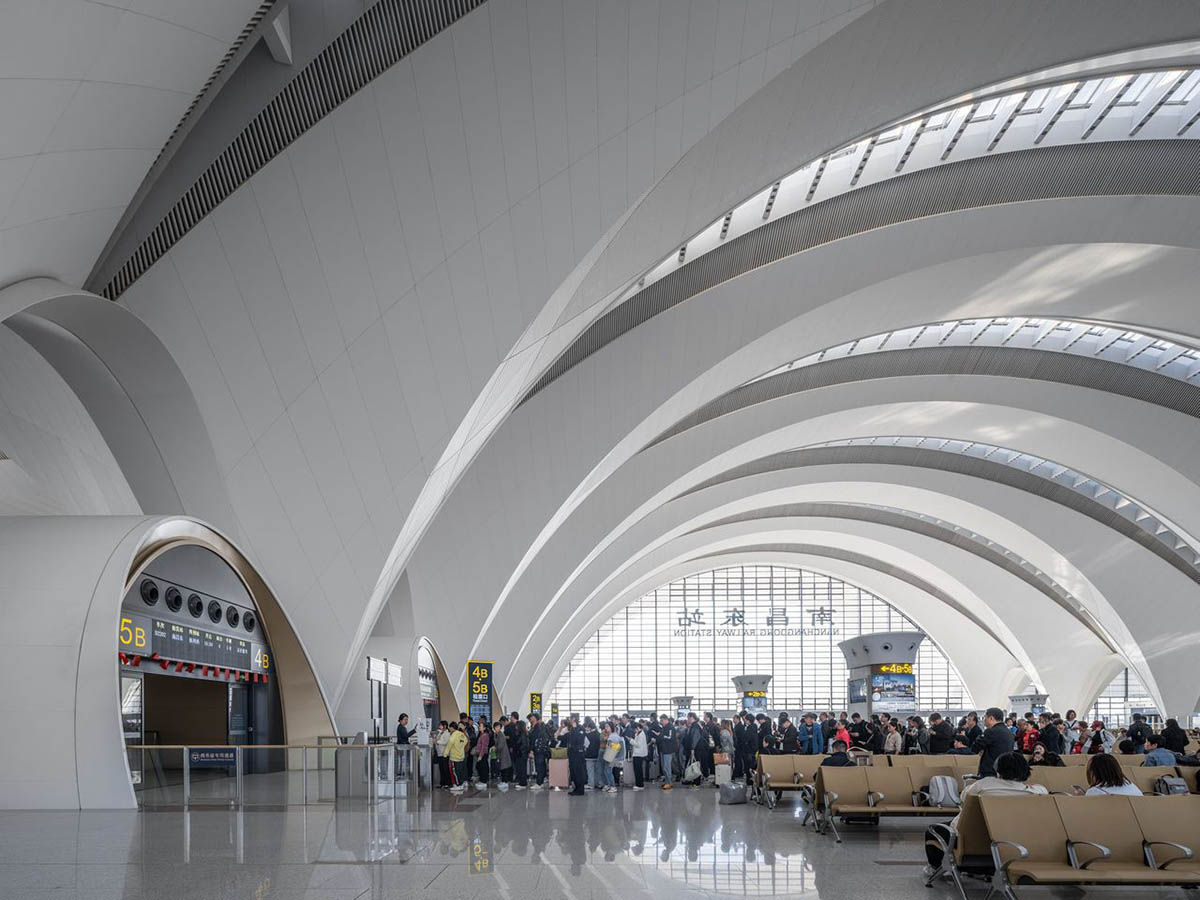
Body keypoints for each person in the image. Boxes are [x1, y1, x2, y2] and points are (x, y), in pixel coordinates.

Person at [974, 707, 1015, 777]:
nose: (984, 720)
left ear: (991, 718)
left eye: (985, 718)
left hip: (990, 771)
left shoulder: (991, 731)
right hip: (1005, 771)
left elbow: (975, 747)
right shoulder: (1009, 733)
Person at [528, 713, 551, 789]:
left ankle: (539, 783)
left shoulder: (538, 727)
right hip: (539, 750)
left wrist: (531, 750)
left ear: (535, 718)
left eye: (532, 717)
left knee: (539, 766)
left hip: (538, 750)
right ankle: (541, 780)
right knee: (540, 765)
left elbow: (534, 739)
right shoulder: (536, 727)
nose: (530, 719)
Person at [445, 721, 469, 793]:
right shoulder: (461, 734)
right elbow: (465, 741)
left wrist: (445, 754)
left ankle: (458, 785)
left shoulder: (454, 735)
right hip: (461, 755)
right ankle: (461, 783)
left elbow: (449, 744)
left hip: (454, 756)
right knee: (461, 770)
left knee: (455, 771)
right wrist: (460, 747)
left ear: (452, 728)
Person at [567, 718, 588, 796]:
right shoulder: (573, 729)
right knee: (574, 772)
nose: (570, 721)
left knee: (579, 772)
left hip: (578, 754)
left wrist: (575, 729)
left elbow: (579, 739)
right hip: (572, 754)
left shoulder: (580, 728)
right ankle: (576, 788)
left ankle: (580, 790)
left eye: (572, 720)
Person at [657, 714, 678, 789]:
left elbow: (670, 737)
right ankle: (667, 781)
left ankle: (669, 782)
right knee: (665, 767)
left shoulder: (670, 727)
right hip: (664, 749)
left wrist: (661, 735)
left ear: (666, 720)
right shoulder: (664, 727)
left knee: (667, 767)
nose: (661, 722)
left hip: (668, 750)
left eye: (662, 720)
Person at [492, 721, 512, 785]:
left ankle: (505, 781)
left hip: (503, 754)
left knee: (504, 768)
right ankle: (503, 781)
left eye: (498, 727)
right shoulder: (496, 734)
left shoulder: (501, 735)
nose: (497, 728)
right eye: (496, 727)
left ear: (500, 727)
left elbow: (500, 745)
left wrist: (495, 748)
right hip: (500, 753)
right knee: (502, 767)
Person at [472, 717, 491, 784]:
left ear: (484, 728)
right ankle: (482, 780)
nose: (479, 727)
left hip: (483, 754)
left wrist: (480, 756)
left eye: (481, 726)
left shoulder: (485, 735)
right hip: (480, 753)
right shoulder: (482, 735)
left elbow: (484, 747)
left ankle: (484, 781)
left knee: (483, 767)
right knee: (480, 767)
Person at [583, 719, 600, 789]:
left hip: (589, 755)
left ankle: (591, 784)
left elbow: (586, 745)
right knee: (596, 770)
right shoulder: (599, 734)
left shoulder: (587, 735)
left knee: (590, 770)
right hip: (597, 754)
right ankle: (596, 783)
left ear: (589, 727)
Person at [630, 722, 648, 790]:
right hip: (637, 754)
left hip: (639, 755)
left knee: (638, 770)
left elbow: (638, 745)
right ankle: (638, 784)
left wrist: (631, 740)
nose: (634, 731)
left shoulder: (641, 734)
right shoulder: (638, 733)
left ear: (637, 728)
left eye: (634, 729)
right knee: (637, 770)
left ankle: (640, 785)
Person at [434, 720, 451, 788]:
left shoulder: (447, 733)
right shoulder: (440, 733)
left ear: (445, 726)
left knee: (445, 768)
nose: (439, 726)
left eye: (440, 725)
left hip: (444, 753)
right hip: (439, 753)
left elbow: (445, 742)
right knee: (441, 769)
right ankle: (442, 783)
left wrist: (437, 742)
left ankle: (447, 783)